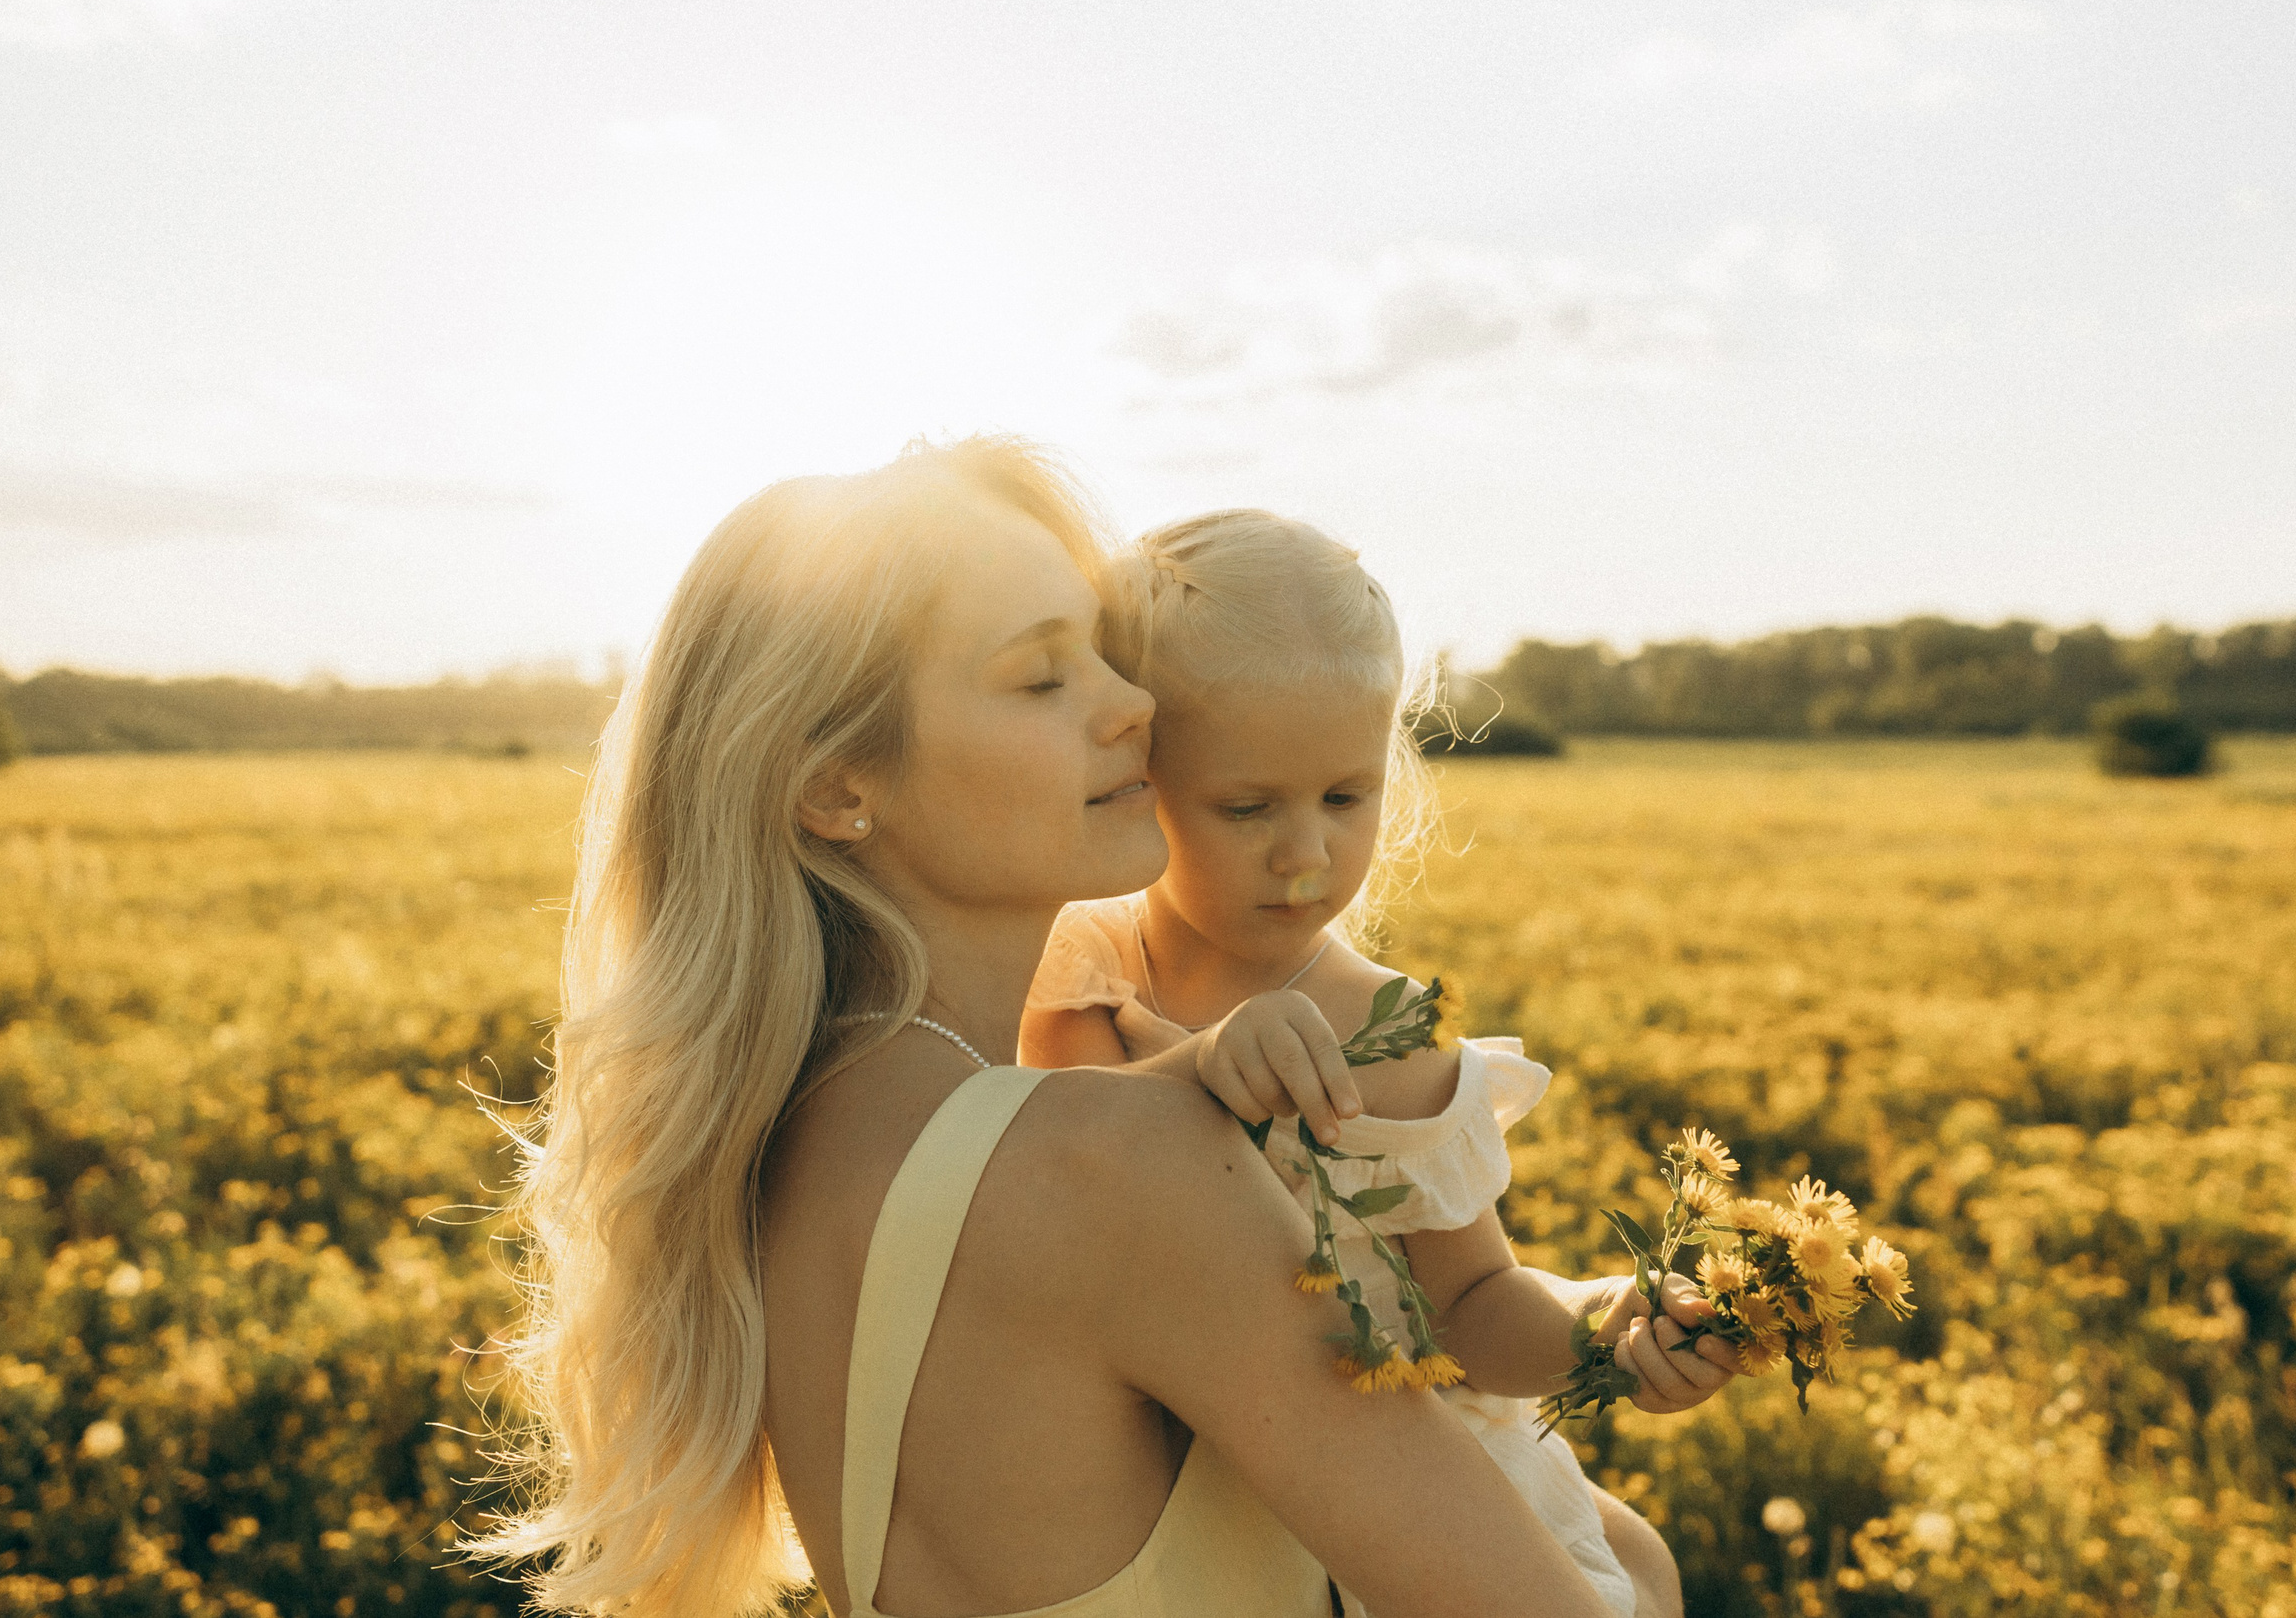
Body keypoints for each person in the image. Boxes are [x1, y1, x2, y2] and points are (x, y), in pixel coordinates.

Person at [467, 437, 1649, 1618]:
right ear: (837, 789)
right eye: (1042, 678)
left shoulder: (778, 1136)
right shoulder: (1113, 1163)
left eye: (1098, 653)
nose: (1133, 705)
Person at [1021, 509, 1740, 1618]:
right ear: (1134, 775)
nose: (1306, 854)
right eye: (1247, 806)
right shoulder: (1083, 967)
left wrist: (1606, 1319)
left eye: (1345, 798)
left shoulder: (1394, 1038)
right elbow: (1050, 1180)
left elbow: (1473, 1303)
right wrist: (1196, 1068)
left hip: (1393, 1504)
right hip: (1153, 1499)